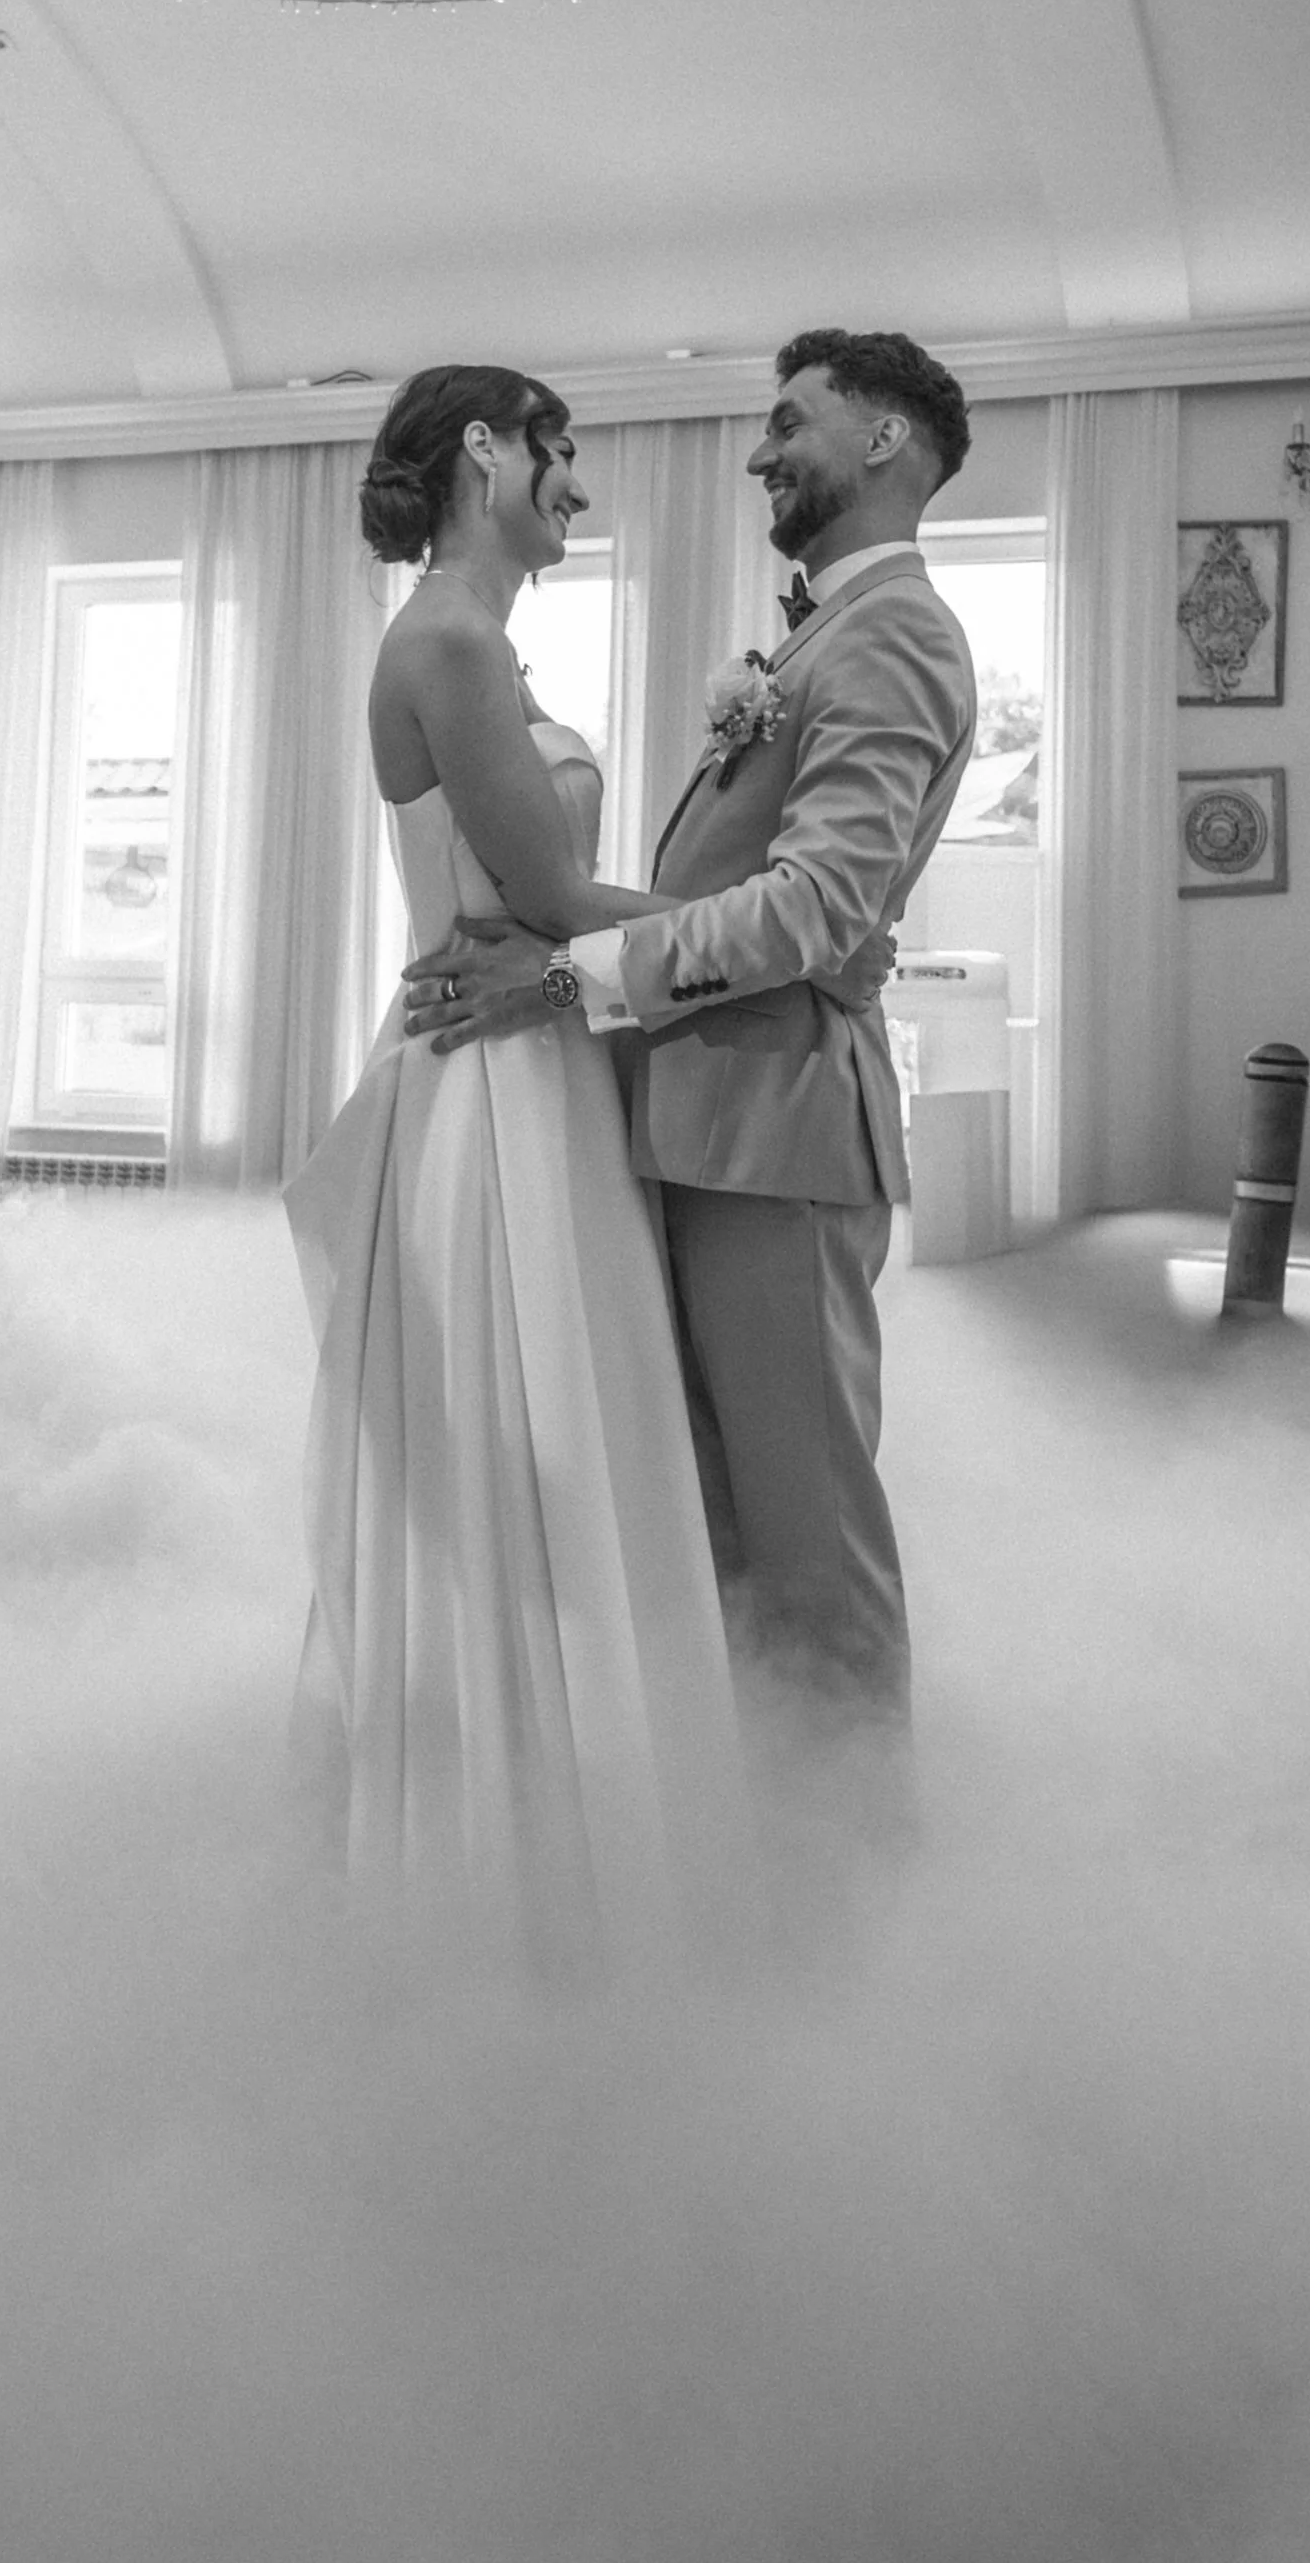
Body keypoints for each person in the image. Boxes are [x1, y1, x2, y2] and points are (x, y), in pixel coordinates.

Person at [407, 329, 978, 1734]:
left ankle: (856, 1884)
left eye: (793, 421)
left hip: (782, 1132)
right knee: (714, 1529)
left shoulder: (896, 631)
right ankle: (752, 1859)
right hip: (709, 1119)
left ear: (887, 441)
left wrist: (564, 979)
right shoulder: (825, 632)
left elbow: (816, 909)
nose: (762, 449)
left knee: (807, 1538)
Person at [282, 364, 750, 1950]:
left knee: (574, 1408)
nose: (579, 488)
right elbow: (552, 901)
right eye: (563, 456)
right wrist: (787, 933)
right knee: (535, 1406)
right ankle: (532, 1833)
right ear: (486, 448)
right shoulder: (448, 640)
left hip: (532, 1059)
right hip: (495, 1090)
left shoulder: (478, 638)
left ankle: (564, 1782)